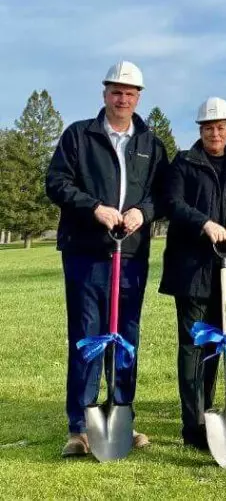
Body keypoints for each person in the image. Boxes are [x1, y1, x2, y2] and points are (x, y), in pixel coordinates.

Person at [45, 61, 168, 457]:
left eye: (130, 93)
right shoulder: (79, 136)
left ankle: (120, 417)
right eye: (116, 91)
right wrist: (95, 208)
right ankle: (80, 425)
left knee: (125, 337)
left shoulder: (151, 144)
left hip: (130, 255)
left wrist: (142, 213)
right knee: (88, 335)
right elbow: (57, 183)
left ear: (138, 97)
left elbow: (164, 194)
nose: (122, 98)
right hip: (87, 252)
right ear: (105, 94)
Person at [158, 97, 226, 450]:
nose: (215, 133)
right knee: (192, 345)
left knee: (216, 341)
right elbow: (172, 203)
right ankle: (193, 424)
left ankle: (209, 411)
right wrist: (205, 224)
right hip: (192, 268)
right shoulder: (184, 163)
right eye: (208, 128)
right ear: (200, 131)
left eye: (221, 127)